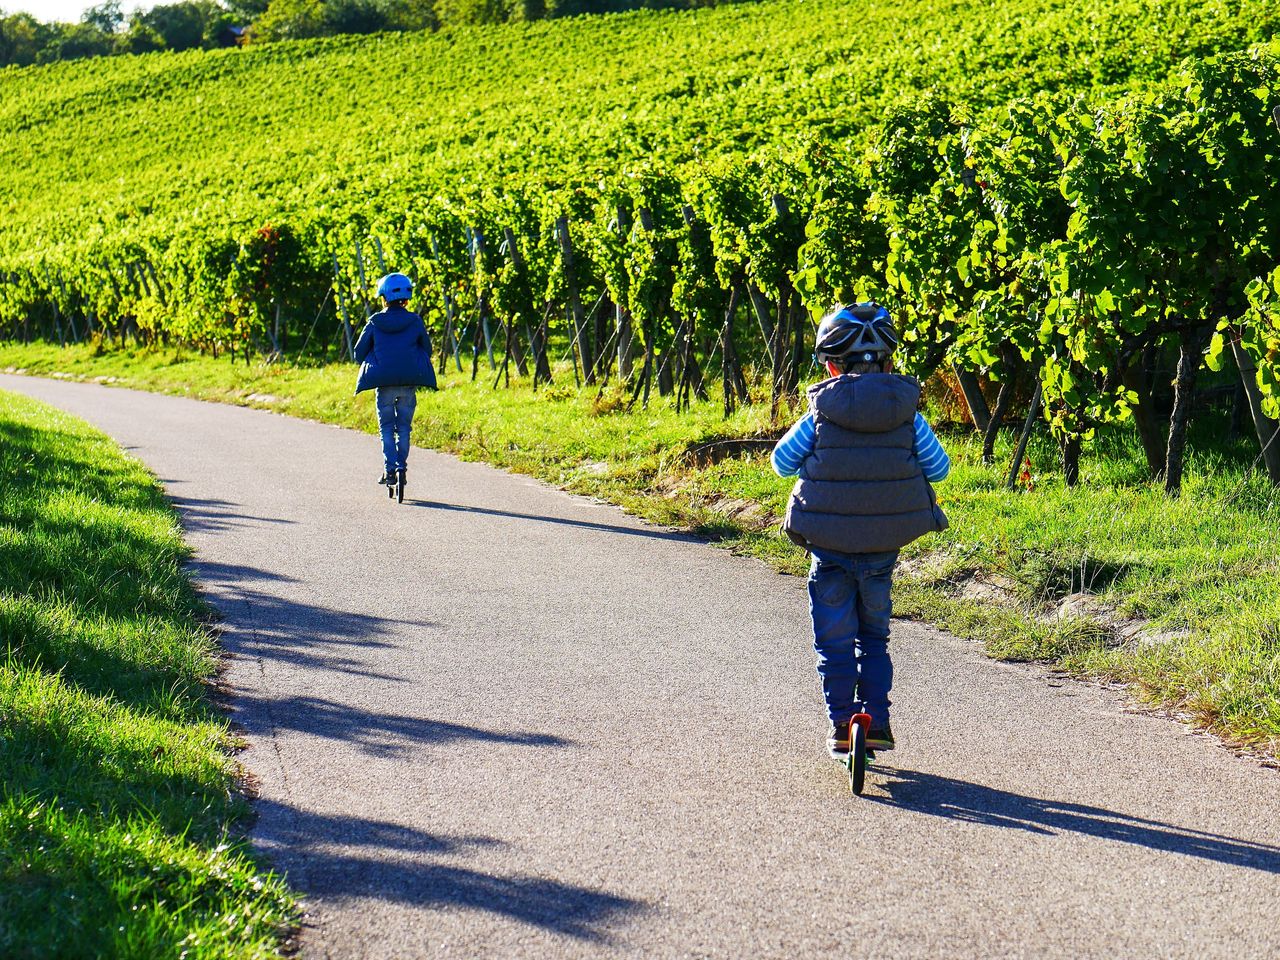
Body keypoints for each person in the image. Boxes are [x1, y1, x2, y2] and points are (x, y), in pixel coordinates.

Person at [771, 303, 950, 759]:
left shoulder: (818, 414)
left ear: (830, 365)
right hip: (880, 553)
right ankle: (877, 723)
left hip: (827, 550)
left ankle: (840, 724)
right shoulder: (908, 414)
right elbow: (940, 468)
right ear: (890, 362)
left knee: (833, 642)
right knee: (874, 638)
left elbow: (781, 463)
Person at [354, 272, 437, 491]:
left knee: (387, 428)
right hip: (408, 383)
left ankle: (389, 470)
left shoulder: (374, 322)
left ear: (383, 296)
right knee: (404, 428)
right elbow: (427, 349)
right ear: (407, 297)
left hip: (384, 385)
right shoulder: (415, 321)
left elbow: (358, 353)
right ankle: (401, 468)